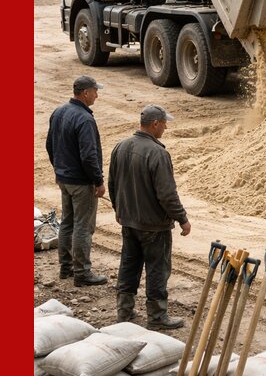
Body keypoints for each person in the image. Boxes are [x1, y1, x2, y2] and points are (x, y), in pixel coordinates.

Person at [108, 105, 191, 330]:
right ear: (155, 124)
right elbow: (166, 194)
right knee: (157, 269)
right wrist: (182, 218)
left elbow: (112, 183)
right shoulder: (158, 153)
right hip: (154, 225)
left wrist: (119, 209)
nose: (165, 127)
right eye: (164, 123)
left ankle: (124, 311)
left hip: (129, 220)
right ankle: (157, 317)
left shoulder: (121, 147)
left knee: (129, 264)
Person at [46, 76, 108, 286]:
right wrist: (98, 181)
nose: (97, 95)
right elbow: (89, 156)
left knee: (68, 223)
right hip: (81, 183)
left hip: (64, 178)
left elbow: (50, 145)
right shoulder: (85, 119)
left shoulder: (59, 112)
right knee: (83, 226)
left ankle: (66, 268)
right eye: (94, 91)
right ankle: (82, 273)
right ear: (85, 93)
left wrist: (59, 169)